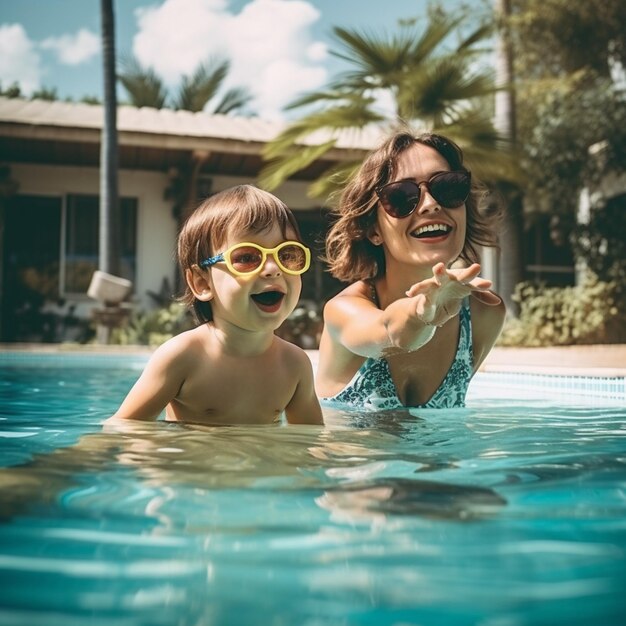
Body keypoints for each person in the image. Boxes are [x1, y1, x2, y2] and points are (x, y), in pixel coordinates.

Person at [315, 130, 506, 410]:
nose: (430, 204)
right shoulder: (344, 311)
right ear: (373, 230)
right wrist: (421, 312)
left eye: (448, 187)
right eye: (402, 196)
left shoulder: (484, 316)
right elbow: (388, 333)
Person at [108, 184, 323, 426]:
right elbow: (124, 428)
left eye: (287, 255)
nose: (273, 269)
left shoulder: (294, 365)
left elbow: (310, 441)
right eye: (247, 257)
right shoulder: (183, 356)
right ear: (202, 282)